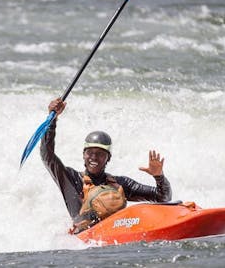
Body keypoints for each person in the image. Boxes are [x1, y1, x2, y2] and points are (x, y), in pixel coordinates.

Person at [40, 98, 172, 233]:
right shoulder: (71, 179)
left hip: (116, 237)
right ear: (83, 155)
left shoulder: (121, 184)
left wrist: (159, 176)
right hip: (85, 240)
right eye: (90, 153)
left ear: (108, 158)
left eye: (100, 154)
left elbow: (163, 198)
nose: (94, 157)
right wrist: (52, 119)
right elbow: (47, 155)